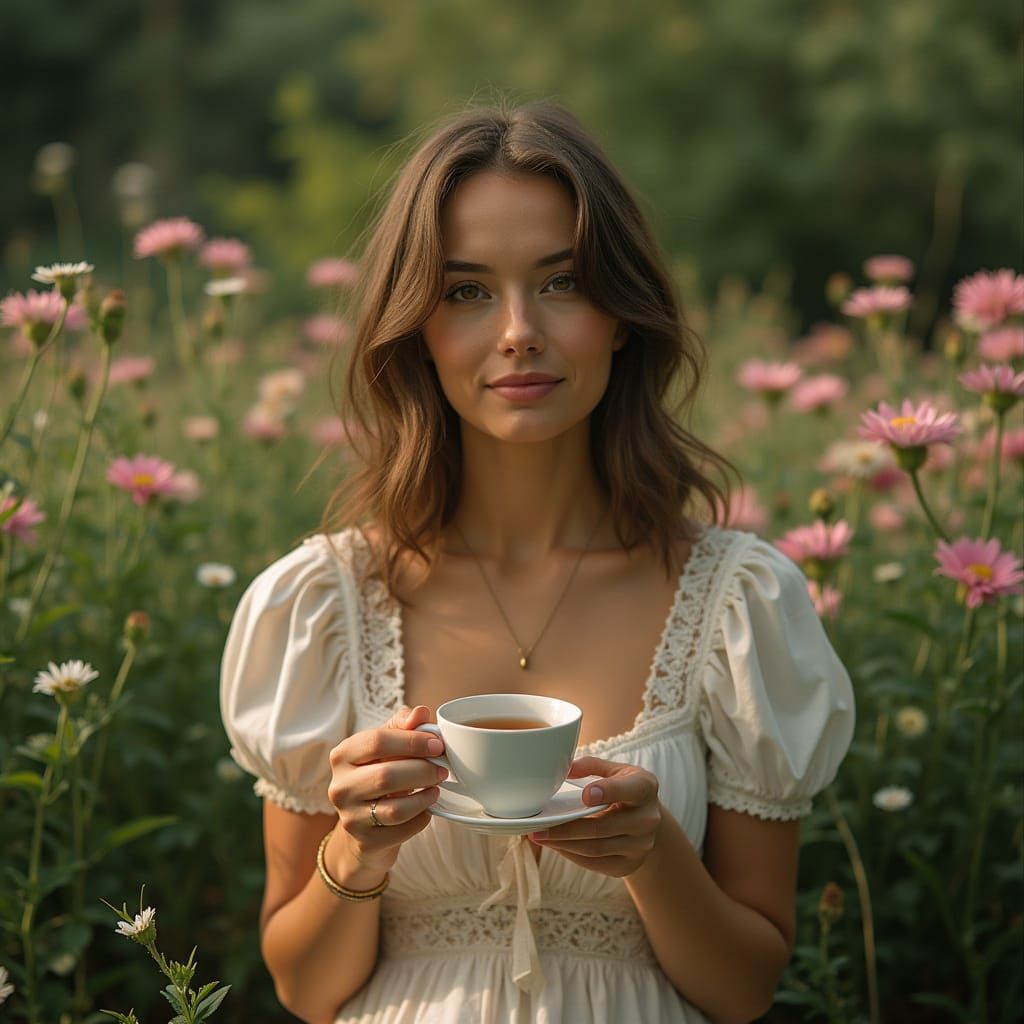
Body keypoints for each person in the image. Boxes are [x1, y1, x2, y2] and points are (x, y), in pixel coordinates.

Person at [220, 101, 855, 1024]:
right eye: (467, 291)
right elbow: (305, 989)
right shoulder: (322, 604)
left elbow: (745, 989)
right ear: (416, 327)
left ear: (623, 315)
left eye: (562, 283)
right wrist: (358, 851)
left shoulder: (737, 600)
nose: (518, 329)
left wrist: (654, 855)